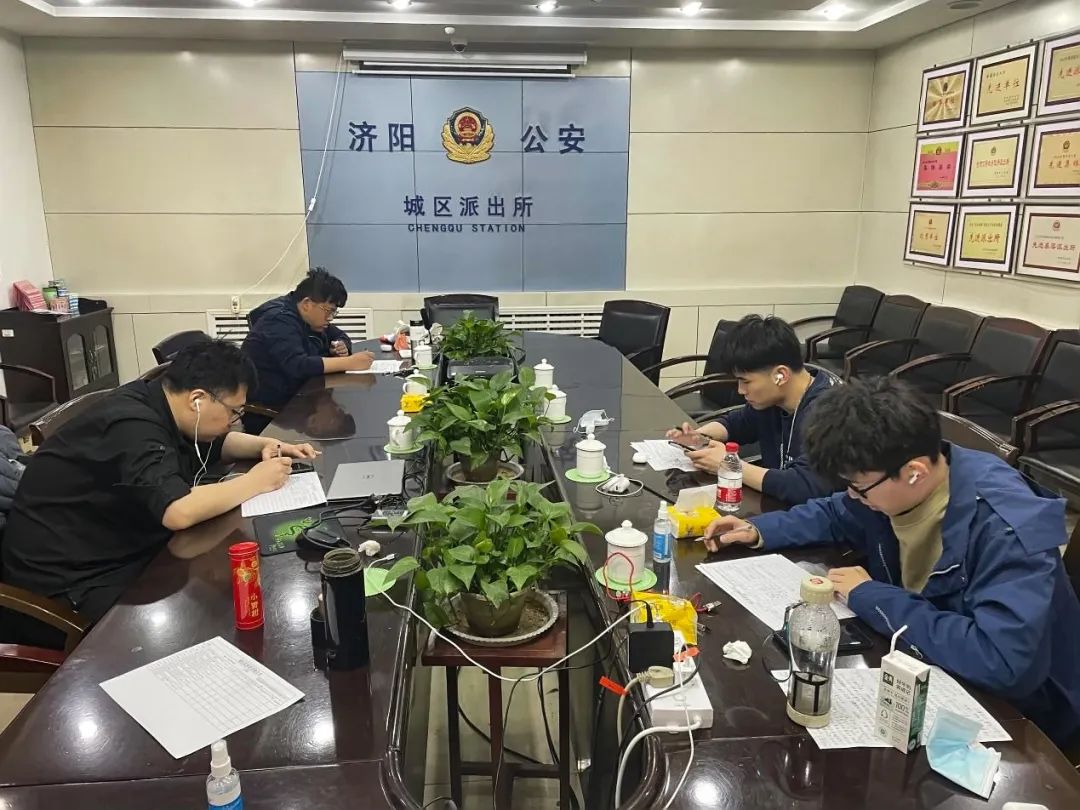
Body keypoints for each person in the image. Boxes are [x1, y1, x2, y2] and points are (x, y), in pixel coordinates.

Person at [702, 377, 1080, 748]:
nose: (853, 496)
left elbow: (1003, 661)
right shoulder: (892, 477)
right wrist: (757, 529)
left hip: (1023, 719)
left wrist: (871, 596)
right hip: (927, 663)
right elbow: (837, 512)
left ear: (915, 472)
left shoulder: (1005, 527)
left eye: (858, 487)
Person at [1, 340, 318, 639]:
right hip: (68, 585)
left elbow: (217, 442)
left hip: (122, 547)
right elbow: (177, 510)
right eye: (234, 411)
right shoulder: (132, 424)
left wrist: (267, 445)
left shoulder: (164, 405)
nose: (234, 422)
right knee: (204, 624)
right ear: (197, 399)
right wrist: (255, 481)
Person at [667, 314, 837, 505]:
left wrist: (730, 466)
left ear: (781, 375)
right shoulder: (773, 399)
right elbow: (737, 423)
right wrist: (699, 437)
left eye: (746, 381)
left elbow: (804, 487)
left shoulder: (831, 413)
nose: (740, 390)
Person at [242, 267, 374, 433]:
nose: (330, 318)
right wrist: (349, 362)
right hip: (272, 408)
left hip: (301, 395)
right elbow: (298, 365)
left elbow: (338, 334)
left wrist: (341, 345)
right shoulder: (278, 320)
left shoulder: (307, 316)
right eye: (328, 311)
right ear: (306, 304)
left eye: (333, 312)